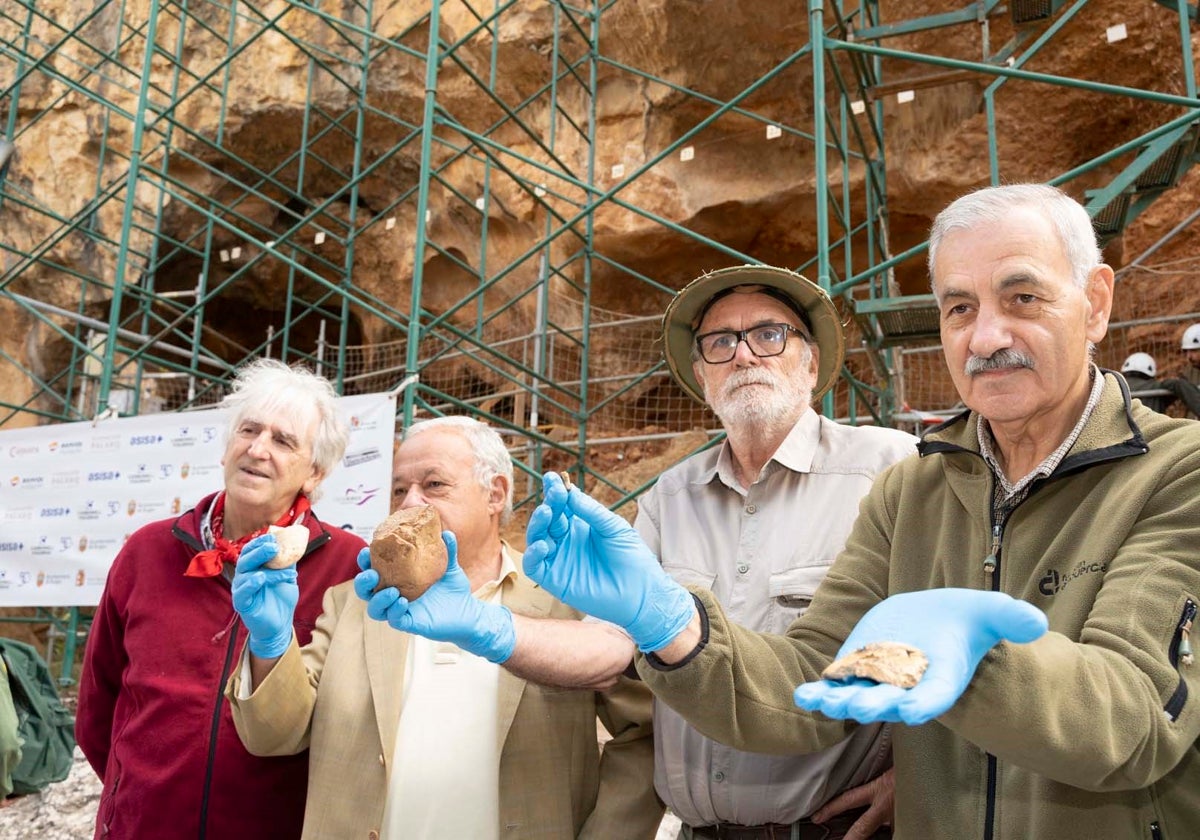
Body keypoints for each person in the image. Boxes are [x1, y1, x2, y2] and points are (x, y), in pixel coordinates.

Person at [522, 183, 1200, 840]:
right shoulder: (911, 492)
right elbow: (811, 679)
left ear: (1096, 303)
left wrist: (968, 661)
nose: (988, 336)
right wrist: (674, 626)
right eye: (959, 308)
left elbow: (1133, 720)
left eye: (1023, 297)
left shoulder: (1178, 471)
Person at [361, 266, 916, 839]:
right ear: (702, 376)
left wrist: (917, 778)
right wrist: (486, 624)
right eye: (720, 343)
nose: (744, 356)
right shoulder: (670, 498)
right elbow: (608, 646)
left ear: (812, 363)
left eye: (770, 335)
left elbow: (963, 630)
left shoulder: (890, 467)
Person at [226, 416, 662, 839]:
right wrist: (271, 641)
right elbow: (275, 738)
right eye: (399, 490)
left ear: (496, 494)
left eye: (433, 485)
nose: (411, 502)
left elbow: (641, 734)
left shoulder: (563, 604)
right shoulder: (356, 605)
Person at [75, 359, 364, 840]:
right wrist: (134, 795)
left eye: (282, 440)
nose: (257, 449)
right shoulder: (149, 550)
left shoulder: (347, 568)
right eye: (248, 430)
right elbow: (98, 703)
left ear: (314, 473)